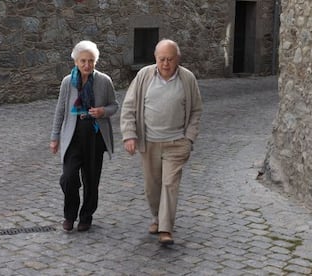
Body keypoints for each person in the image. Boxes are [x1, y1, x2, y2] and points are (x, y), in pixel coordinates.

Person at [120, 39, 202, 244]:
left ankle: (166, 229)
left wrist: (189, 139)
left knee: (169, 184)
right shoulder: (144, 76)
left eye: (170, 59)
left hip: (176, 143)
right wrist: (129, 135)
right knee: (152, 186)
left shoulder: (187, 79)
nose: (165, 63)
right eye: (162, 59)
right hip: (149, 143)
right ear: (155, 58)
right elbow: (129, 107)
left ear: (178, 59)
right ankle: (157, 216)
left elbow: (196, 111)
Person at [50, 40, 118, 232]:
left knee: (91, 180)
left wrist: (103, 111)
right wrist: (55, 137)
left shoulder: (104, 81)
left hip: (95, 138)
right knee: (68, 178)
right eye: (83, 61)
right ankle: (69, 215)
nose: (87, 65)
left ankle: (86, 216)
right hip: (73, 136)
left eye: (91, 61)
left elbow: (115, 105)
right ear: (76, 62)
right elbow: (60, 110)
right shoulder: (67, 82)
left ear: (95, 61)